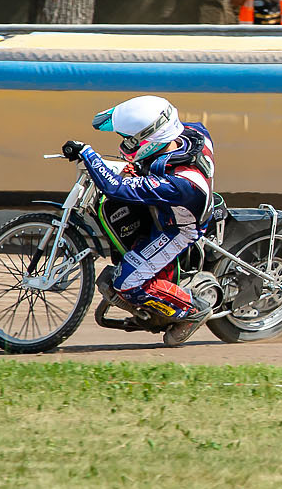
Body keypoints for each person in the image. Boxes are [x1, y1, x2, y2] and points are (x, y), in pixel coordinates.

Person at [60, 96, 217, 346]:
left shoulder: (180, 182)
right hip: (175, 204)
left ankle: (191, 312)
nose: (125, 143)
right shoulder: (191, 132)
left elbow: (118, 188)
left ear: (150, 139)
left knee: (125, 282)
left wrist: (88, 154)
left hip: (179, 229)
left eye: (131, 139)